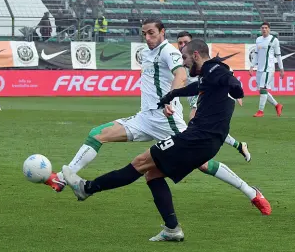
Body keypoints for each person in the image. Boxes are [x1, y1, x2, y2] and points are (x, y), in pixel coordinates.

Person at [62, 39, 271, 242]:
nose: (184, 61)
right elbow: (196, 87)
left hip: (195, 139)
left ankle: (86, 188)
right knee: (152, 174)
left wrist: (237, 88)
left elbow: (230, 81)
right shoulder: (209, 75)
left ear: (196, 55)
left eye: (185, 57)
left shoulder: (215, 70)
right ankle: (172, 229)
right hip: (206, 142)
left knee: (140, 163)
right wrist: (172, 95)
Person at [177, 31, 251, 162]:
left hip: (206, 94)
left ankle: (195, 151)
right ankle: (239, 145)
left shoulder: (202, 58)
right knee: (207, 126)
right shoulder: (181, 59)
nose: (182, 44)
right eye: (180, 42)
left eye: (186, 42)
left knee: (194, 121)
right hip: (195, 95)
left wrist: (234, 93)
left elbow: (224, 71)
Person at [249, 22, 284, 117]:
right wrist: (252, 66)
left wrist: (281, 69)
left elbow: (278, 55)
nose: (264, 29)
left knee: (263, 88)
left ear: (269, 29)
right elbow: (256, 54)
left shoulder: (274, 40)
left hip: (268, 68)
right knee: (262, 90)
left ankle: (260, 111)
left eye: (266, 28)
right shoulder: (258, 39)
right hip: (259, 68)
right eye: (262, 28)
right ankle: (277, 105)